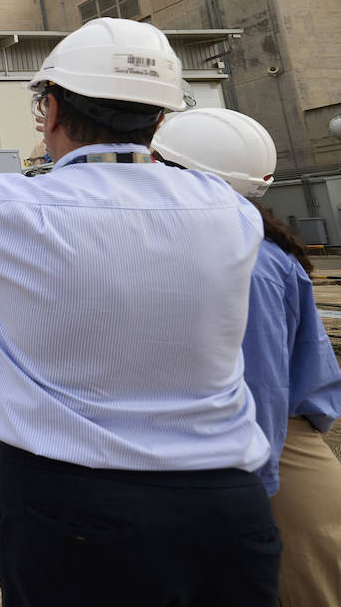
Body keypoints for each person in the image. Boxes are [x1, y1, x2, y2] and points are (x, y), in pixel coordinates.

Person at [0, 18, 279, 606]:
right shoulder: (229, 212)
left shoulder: (12, 207)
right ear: (161, 117)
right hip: (226, 506)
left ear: (49, 109)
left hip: (75, 506)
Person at [152, 108, 341, 606]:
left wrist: (244, 493)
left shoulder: (243, 261)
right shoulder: (240, 243)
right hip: (263, 444)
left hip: (272, 451)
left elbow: (259, 389)